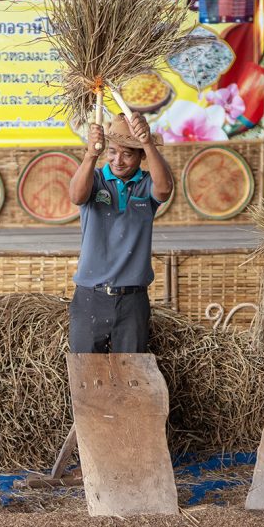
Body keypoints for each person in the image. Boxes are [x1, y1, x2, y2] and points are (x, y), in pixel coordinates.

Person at [68, 111, 173, 354]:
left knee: (131, 375)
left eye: (127, 154)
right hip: (90, 297)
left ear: (141, 156)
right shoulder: (94, 179)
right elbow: (76, 196)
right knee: (86, 375)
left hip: (132, 301)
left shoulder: (146, 184)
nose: (118, 160)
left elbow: (165, 188)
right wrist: (91, 154)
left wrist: (147, 141)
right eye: (112, 152)